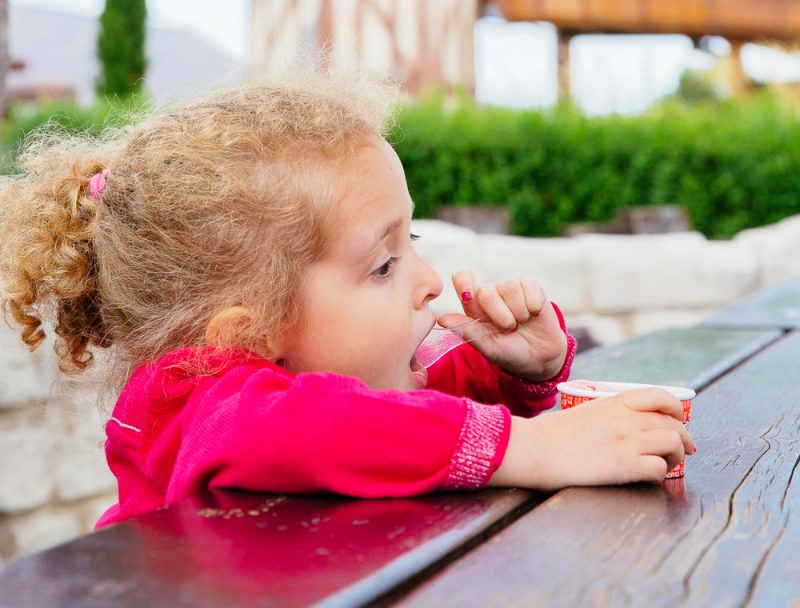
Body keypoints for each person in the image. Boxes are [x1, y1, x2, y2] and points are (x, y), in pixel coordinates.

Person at [0, 73, 694, 527]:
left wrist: (515, 377)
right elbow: (320, 426)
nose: (429, 279)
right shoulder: (201, 405)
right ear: (244, 337)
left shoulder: (295, 392)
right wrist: (535, 448)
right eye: (385, 263)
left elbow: (395, 413)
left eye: (411, 236)